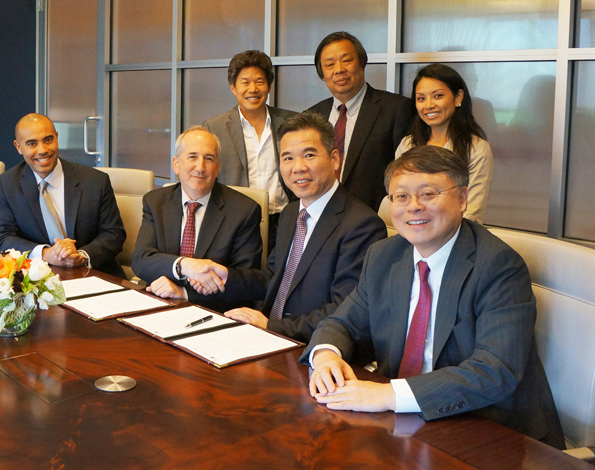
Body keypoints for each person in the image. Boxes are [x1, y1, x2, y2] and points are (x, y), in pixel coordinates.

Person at [301, 146, 564, 449]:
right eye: (401, 196)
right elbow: (342, 323)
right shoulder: (384, 255)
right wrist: (326, 356)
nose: (413, 207)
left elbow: (494, 371)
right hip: (405, 425)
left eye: (428, 194)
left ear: (462, 198)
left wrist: (389, 395)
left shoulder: (498, 266)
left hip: (485, 428)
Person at [222, 112, 387, 343]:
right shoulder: (291, 213)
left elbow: (344, 310)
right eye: (288, 158)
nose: (298, 167)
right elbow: (273, 278)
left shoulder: (362, 226)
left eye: (309, 155)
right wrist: (225, 277)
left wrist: (271, 327)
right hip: (266, 336)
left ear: (335, 159)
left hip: (313, 346)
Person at [130, 126, 263, 310]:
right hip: (160, 301)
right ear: (176, 164)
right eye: (192, 157)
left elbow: (245, 282)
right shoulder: (155, 202)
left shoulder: (244, 210)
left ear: (217, 168)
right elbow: (141, 260)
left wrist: (184, 293)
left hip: (213, 311)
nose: (200, 168)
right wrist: (184, 265)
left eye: (209, 159)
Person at [0, 113, 126, 278]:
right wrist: (45, 254)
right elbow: (1, 236)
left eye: (48, 140)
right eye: (32, 144)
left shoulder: (95, 181)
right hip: (37, 278)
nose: (42, 150)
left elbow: (114, 234)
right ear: (18, 147)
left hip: (94, 275)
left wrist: (82, 256)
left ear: (57, 137)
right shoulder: (8, 183)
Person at [309, 31, 414, 213]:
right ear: (322, 73)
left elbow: (407, 172)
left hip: (375, 217)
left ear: (362, 63)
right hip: (322, 215)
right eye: (330, 64)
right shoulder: (312, 115)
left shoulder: (397, 109)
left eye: (346, 60)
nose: (339, 69)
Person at [203, 50, 296, 252]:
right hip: (236, 223)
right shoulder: (214, 127)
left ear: (269, 86)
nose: (253, 89)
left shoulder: (292, 122)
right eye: (245, 82)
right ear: (233, 87)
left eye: (259, 81)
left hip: (284, 221)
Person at [395, 63, 493, 224]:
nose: (428, 105)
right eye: (421, 98)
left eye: (438, 96)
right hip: (411, 230)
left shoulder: (476, 149)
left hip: (454, 235)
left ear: (458, 97)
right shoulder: (408, 144)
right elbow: (399, 198)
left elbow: (471, 212)